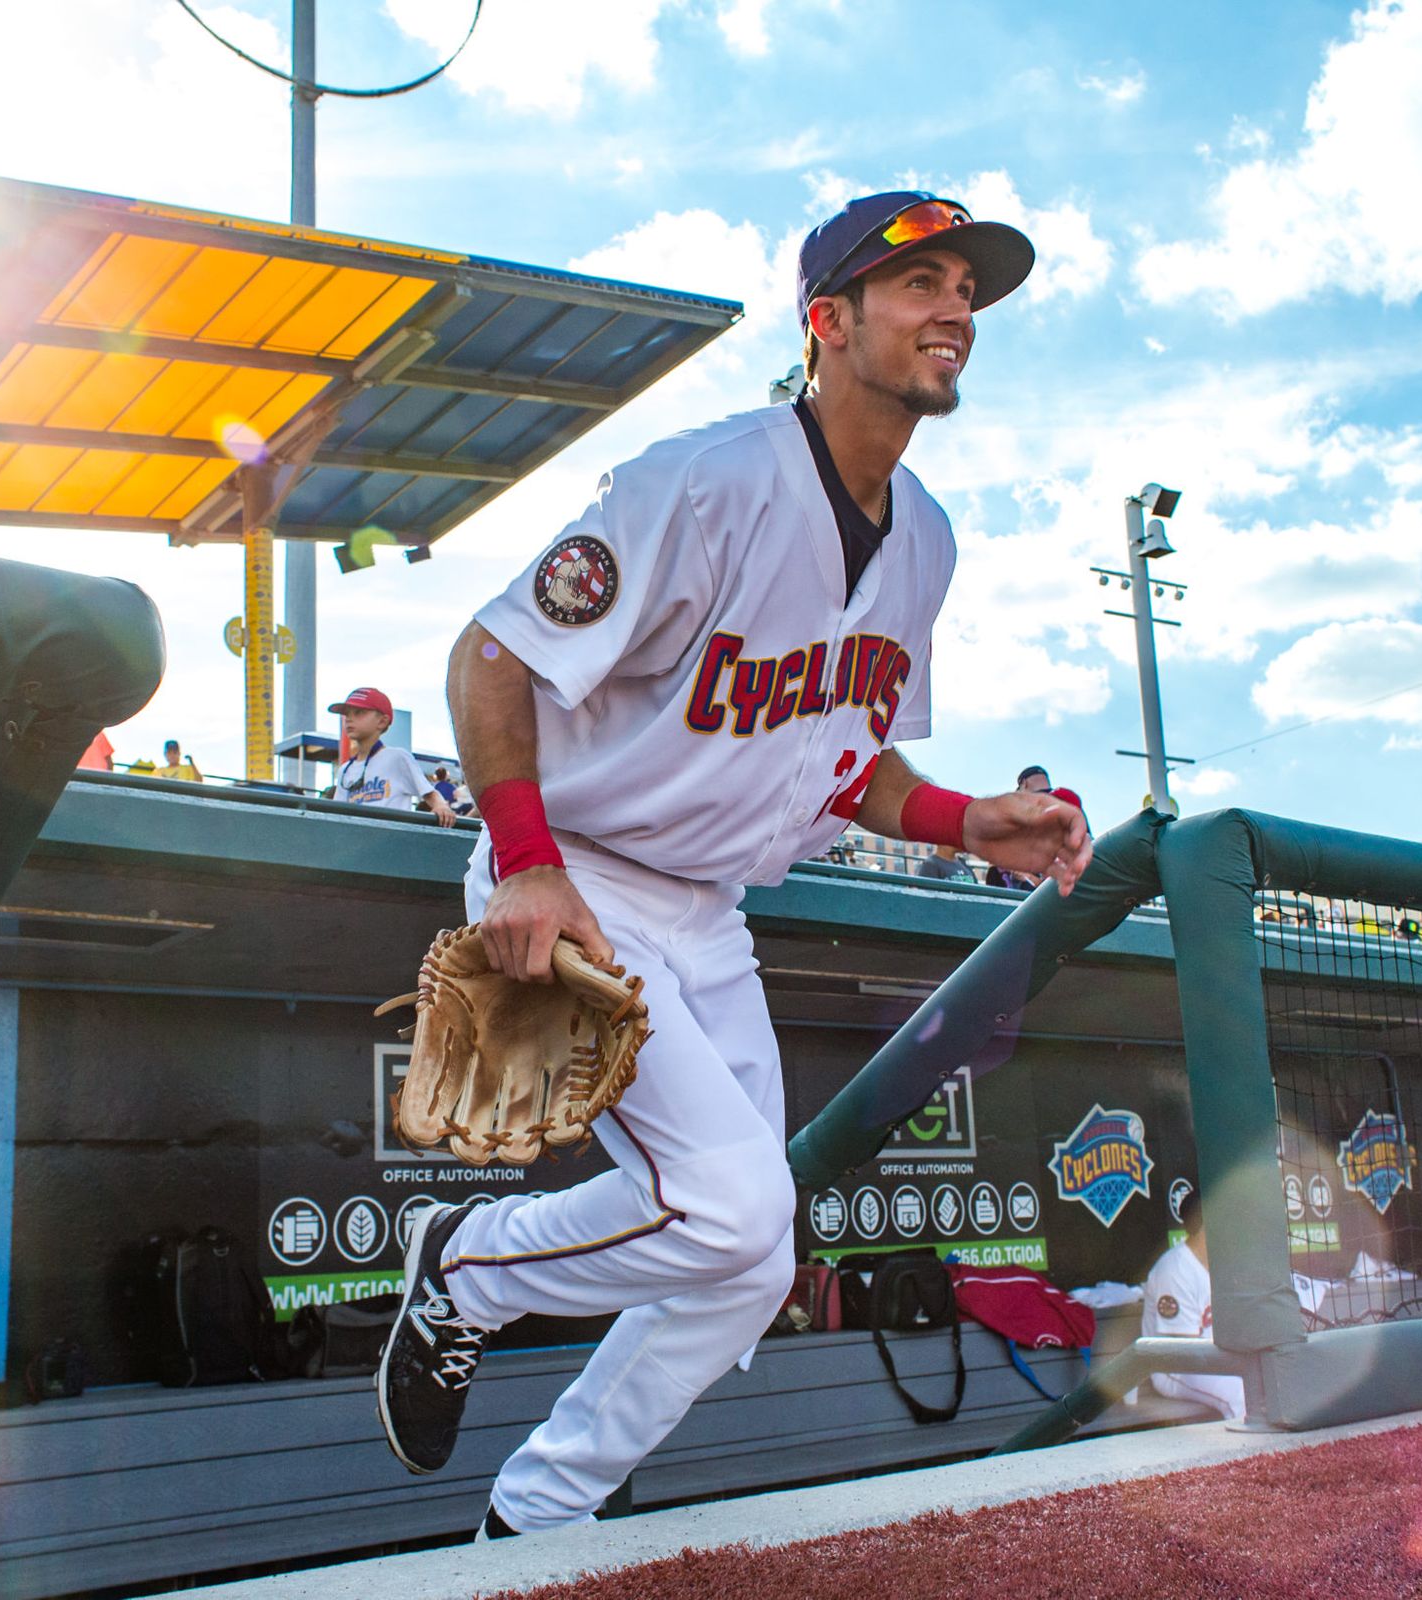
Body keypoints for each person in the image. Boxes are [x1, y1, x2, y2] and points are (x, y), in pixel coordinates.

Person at [374, 191, 1089, 1537]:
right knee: (732, 1207)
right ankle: (462, 1267)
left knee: (752, 1263)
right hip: (581, 873)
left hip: (710, 913)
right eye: (920, 283)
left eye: (965, 290)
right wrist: (524, 861)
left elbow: (844, 756)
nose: (955, 310)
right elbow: (492, 655)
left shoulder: (923, 537)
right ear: (828, 322)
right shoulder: (704, 483)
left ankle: (536, 1515)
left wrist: (965, 821)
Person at [1139, 1190, 1245, 1420]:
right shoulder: (1174, 1269)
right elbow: (1184, 1349)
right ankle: (1251, 1455)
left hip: (1213, 1360)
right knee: (1240, 1395)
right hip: (1176, 1367)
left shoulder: (1224, 1264)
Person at [330, 687, 456, 825]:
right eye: (346, 714)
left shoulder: (397, 758)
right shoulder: (345, 770)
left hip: (391, 839)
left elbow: (429, 792)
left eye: (359, 712)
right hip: (358, 840)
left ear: (382, 721)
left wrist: (441, 806)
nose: (349, 719)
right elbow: (338, 813)